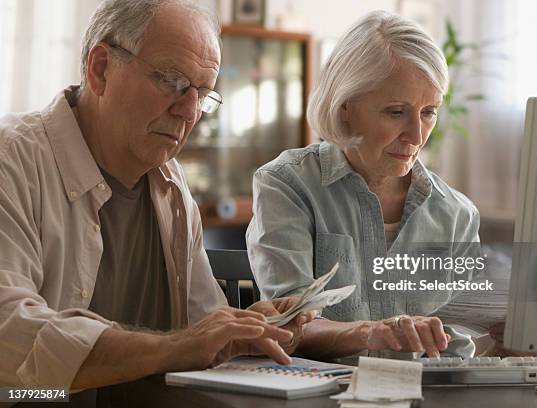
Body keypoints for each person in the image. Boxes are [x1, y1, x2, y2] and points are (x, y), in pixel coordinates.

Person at [0, 0, 312, 395]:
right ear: (100, 69)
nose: (188, 111)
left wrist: (245, 329)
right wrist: (181, 346)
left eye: (202, 93)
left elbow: (200, 328)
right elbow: (9, 335)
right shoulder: (12, 165)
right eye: (171, 81)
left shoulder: (172, 184)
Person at [247, 10, 485, 360]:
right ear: (345, 107)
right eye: (395, 111)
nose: (417, 135)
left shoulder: (457, 214)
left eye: (428, 112)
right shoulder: (287, 185)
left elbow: (461, 344)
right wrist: (373, 333)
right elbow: (289, 325)